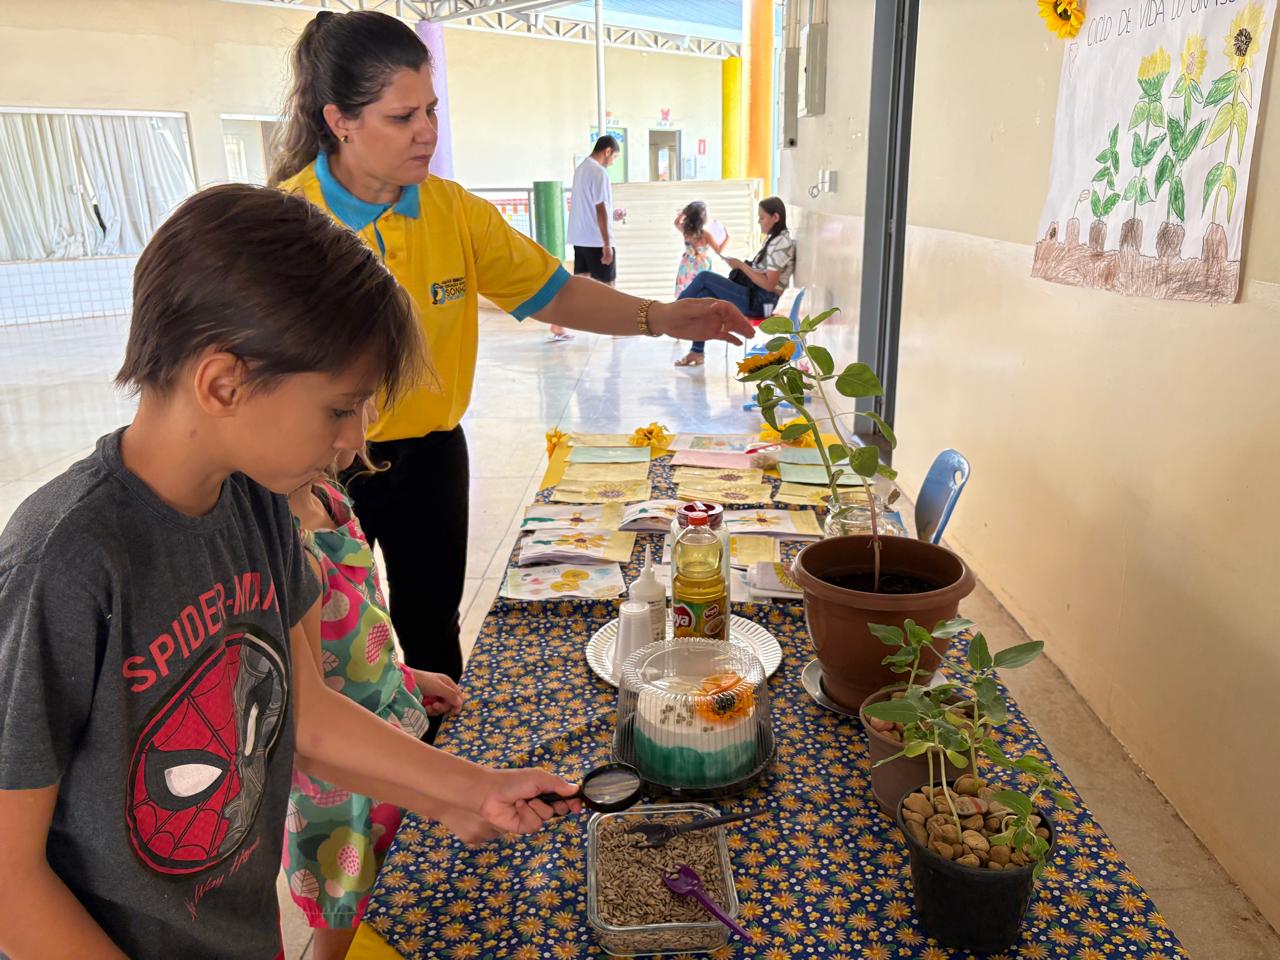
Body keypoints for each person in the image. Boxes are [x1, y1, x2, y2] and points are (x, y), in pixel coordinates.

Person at [0, 184, 578, 960]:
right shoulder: (67, 558)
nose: (355, 440)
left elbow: (307, 713)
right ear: (223, 383)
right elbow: (9, 879)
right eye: (340, 410)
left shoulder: (261, 506)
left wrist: (466, 789)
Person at [269, 11, 753, 686]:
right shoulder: (284, 223)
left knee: (432, 626)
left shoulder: (454, 212)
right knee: (328, 652)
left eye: (431, 109)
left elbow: (557, 292)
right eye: (402, 116)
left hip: (428, 457)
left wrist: (662, 316)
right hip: (309, 470)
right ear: (340, 120)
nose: (428, 132)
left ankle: (442, 777)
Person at [284, 434, 464, 960]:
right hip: (337, 786)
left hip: (389, 739)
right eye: (344, 407)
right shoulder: (285, 547)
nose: (364, 427)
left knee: (391, 883)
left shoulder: (329, 498)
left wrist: (404, 677)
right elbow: (312, 708)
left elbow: (363, 623)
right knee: (347, 912)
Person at [675, 197, 796, 367]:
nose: (759, 222)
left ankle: (673, 313)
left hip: (761, 302)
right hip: (753, 294)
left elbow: (769, 285)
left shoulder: (781, 243)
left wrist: (740, 264)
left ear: (775, 217)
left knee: (704, 277)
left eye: (762, 218)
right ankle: (696, 351)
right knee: (703, 296)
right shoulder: (773, 239)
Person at [568, 135, 621, 289]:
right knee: (608, 290)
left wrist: (612, 214)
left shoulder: (580, 169)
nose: (613, 162)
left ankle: (582, 314)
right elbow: (600, 208)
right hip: (597, 241)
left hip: (579, 239)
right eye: (615, 157)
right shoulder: (599, 172)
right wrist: (606, 244)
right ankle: (609, 314)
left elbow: (587, 206)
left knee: (583, 289)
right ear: (608, 151)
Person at [673, 200, 729, 298]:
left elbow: (677, 222)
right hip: (701, 267)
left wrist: (685, 212)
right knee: (700, 293)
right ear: (703, 219)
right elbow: (719, 250)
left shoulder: (687, 231)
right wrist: (727, 238)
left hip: (687, 266)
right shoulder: (705, 235)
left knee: (685, 293)